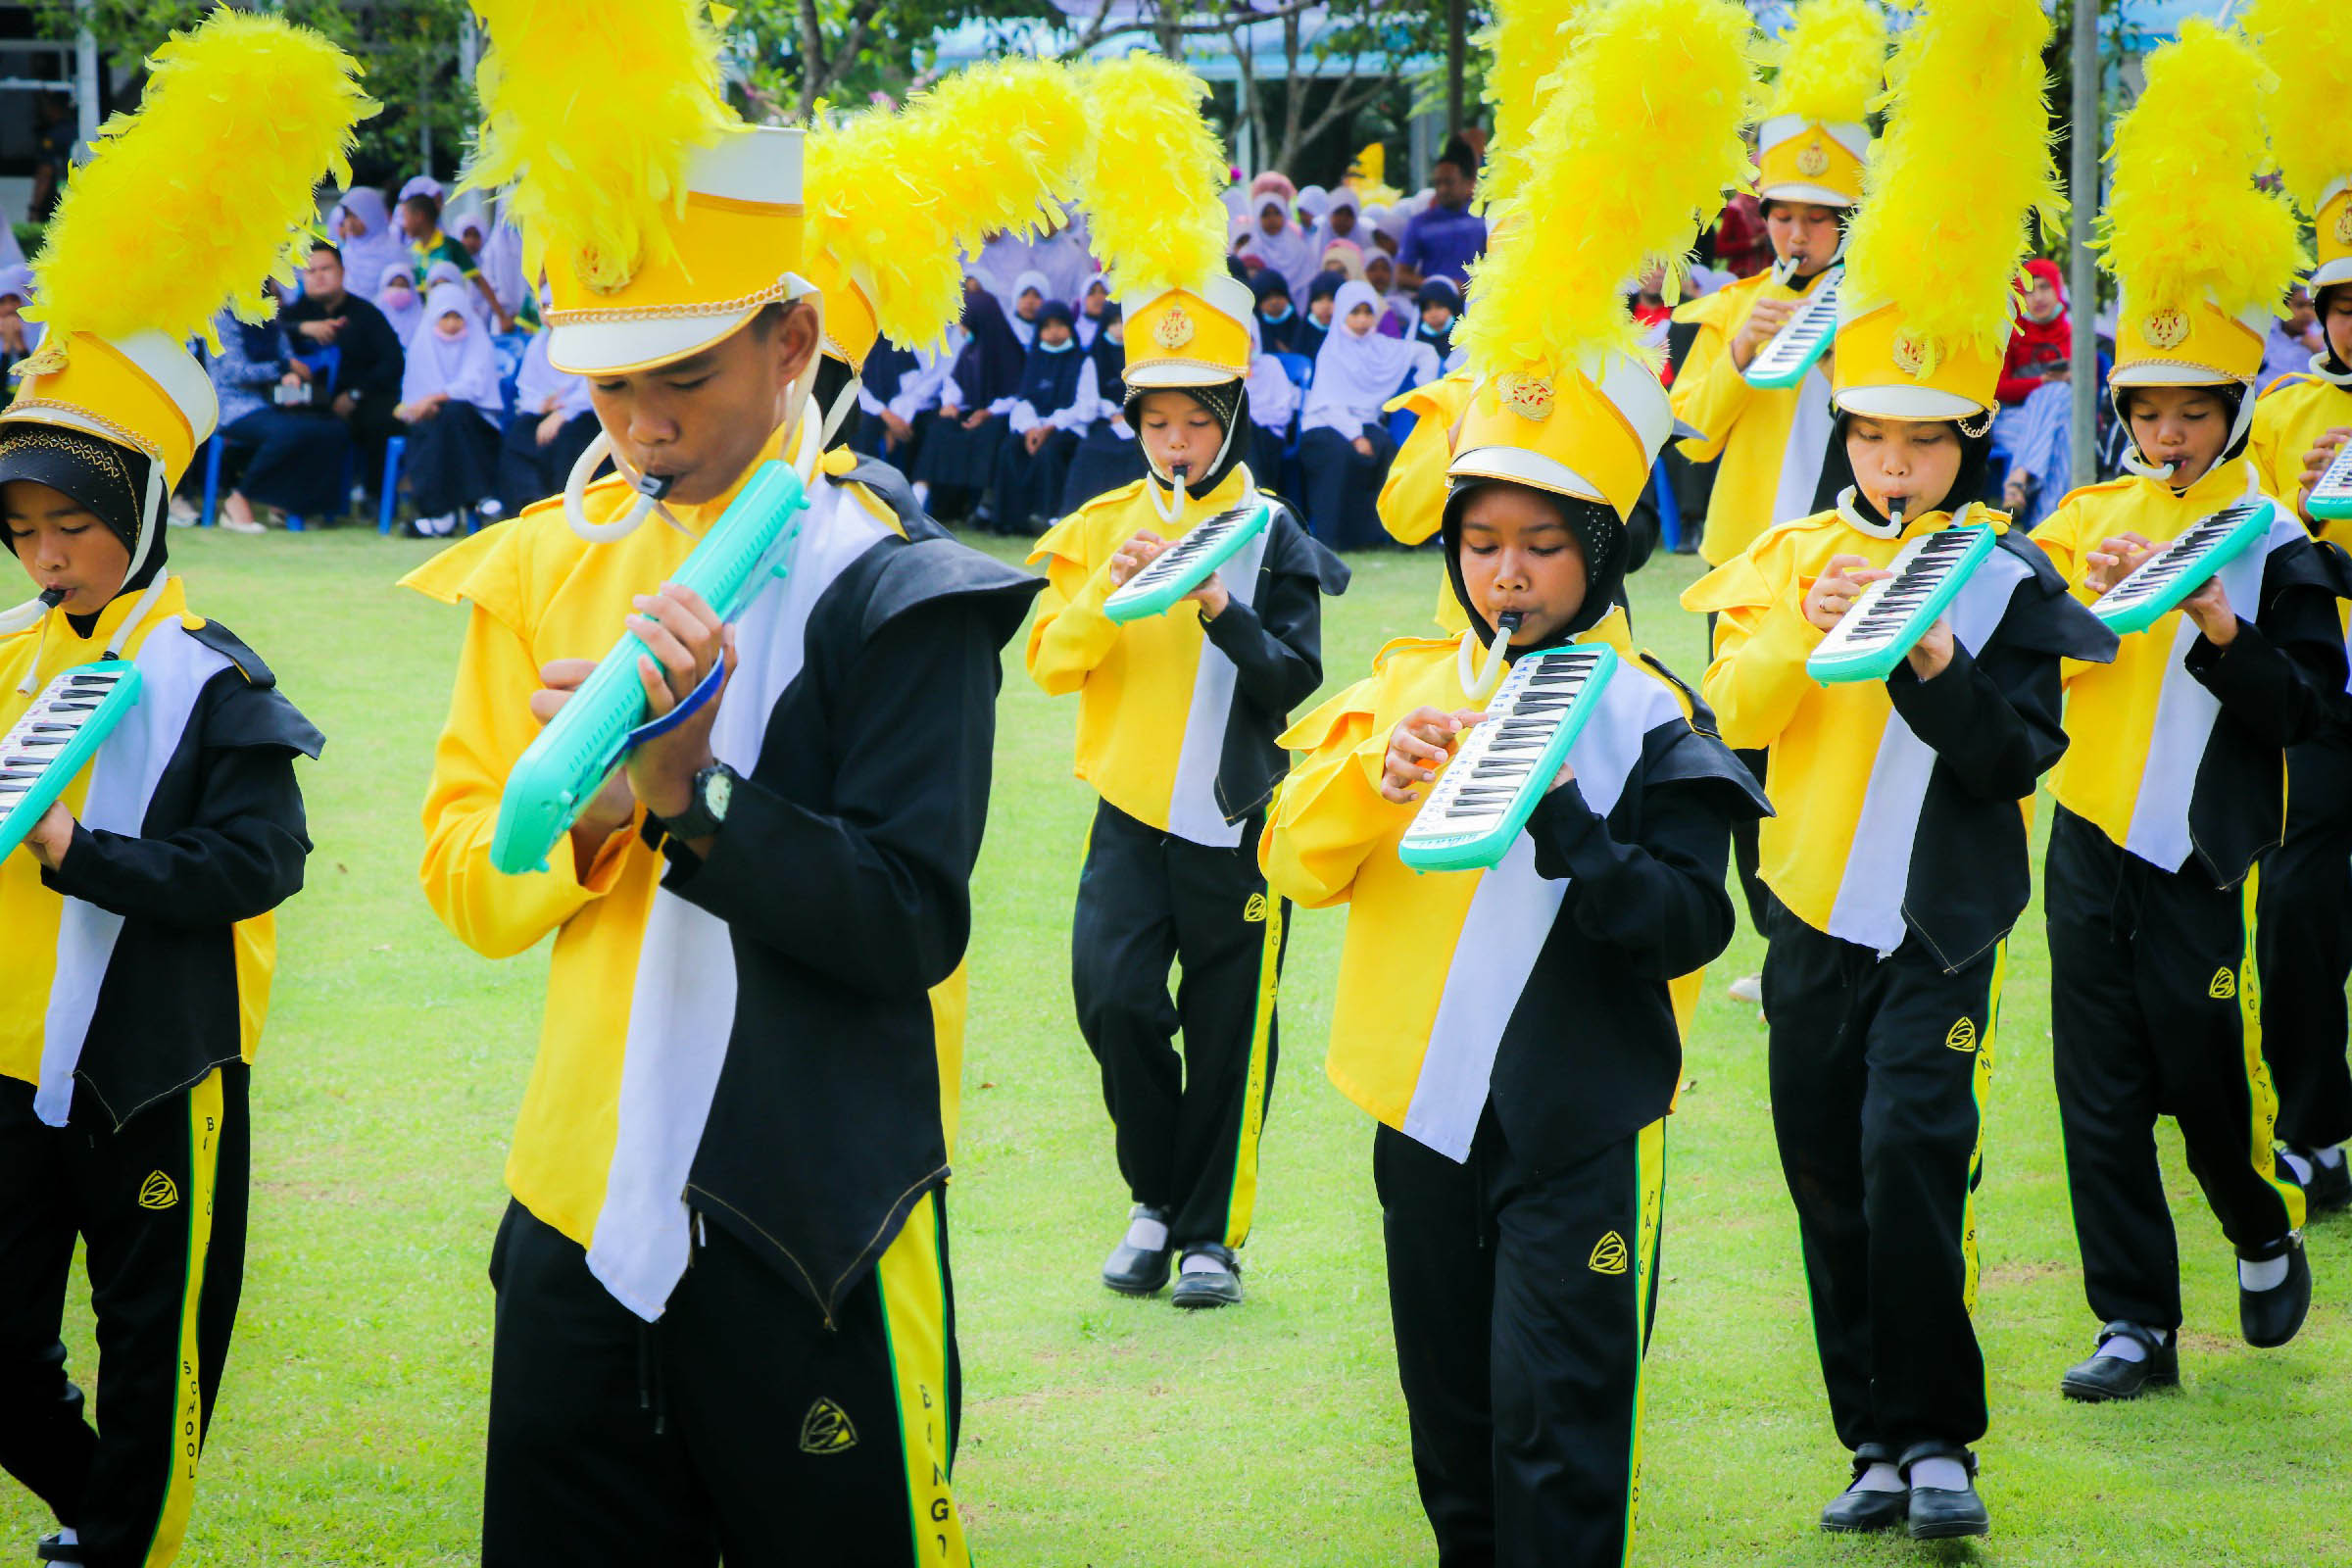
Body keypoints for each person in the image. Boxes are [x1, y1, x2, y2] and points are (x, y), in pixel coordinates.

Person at [404, 6, 1039, 1560]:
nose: (639, 425)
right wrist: (602, 810)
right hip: (571, 1211)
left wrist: (695, 801)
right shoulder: (543, 566)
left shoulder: (902, 594)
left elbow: (907, 928)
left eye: (679, 376)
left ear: (793, 339)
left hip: (819, 1217)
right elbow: (468, 885)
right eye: (607, 389)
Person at [1263, 8, 1764, 1557]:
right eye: (1483, 544)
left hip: (1576, 1123)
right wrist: (1381, 784)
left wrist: (1562, 822)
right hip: (1421, 1120)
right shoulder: (1405, 683)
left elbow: (1692, 923)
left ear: (1601, 552)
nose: (1509, 573)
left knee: (1559, 1430)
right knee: (1454, 1434)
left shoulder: (1648, 706)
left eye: (1545, 545)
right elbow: (1295, 859)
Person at [1685, 0, 2110, 1535]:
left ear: (1966, 445)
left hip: (1941, 924)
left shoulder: (1998, 576)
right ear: (1847, 436)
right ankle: (1868, 1439)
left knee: (1913, 1159)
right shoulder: (1786, 554)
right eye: (1873, 441)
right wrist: (1817, 628)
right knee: (1826, 1179)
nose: (1894, 468)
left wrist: (1928, 661)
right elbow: (1733, 711)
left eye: (1926, 446)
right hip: (1805, 920)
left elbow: (2019, 761)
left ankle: (1942, 1443)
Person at [0, 17, 354, 1564]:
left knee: (159, 1355)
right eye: (19, 525)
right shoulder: (7, 655)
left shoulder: (220, 676)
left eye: (68, 521)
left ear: (137, 509)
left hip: (162, 1063)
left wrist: (87, 856)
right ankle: (99, 1511)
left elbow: (257, 866)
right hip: (8, 1063)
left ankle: (124, 1538)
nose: (44, 551)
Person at [2026, 21, 2344, 1401]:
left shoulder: (2273, 542)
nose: (2164, 437)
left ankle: (2261, 1221)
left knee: (2208, 1084)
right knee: (2095, 1096)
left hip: (2206, 850)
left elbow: (2302, 711)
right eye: (2146, 412)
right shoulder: (2084, 517)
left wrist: (2213, 627)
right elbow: (2025, 653)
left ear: (2231, 408)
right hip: (2090, 835)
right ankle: (2134, 1328)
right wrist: (2066, 600)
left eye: (2188, 413)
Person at [1029, 54, 1347, 1311]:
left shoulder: (1272, 534)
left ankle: (1209, 1232)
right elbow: (1054, 664)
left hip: (1240, 822)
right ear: (1135, 418)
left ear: (1231, 416)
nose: (1176, 440)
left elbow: (1294, 688)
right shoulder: (1100, 520)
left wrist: (1212, 604)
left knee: (1230, 1031)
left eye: (1196, 418)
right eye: (1156, 418)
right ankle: (1153, 1193)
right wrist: (1113, 589)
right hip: (1125, 813)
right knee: (1112, 1003)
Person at [1670, 0, 1886, 991]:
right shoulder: (1725, 306)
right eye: (1784, 213)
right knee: (1744, 748)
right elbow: (1692, 431)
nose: (1796, 232)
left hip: (1853, 560)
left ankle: (1834, 923)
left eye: (1817, 216)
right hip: (1750, 563)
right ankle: (1778, 938)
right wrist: (1743, 348)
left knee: (1837, 742)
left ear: (1850, 220)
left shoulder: (1882, 312)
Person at [2244, 0, 2352, 1216]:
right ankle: (2314, 1126)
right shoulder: (2278, 416)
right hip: (2319, 705)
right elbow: (2260, 550)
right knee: (2302, 919)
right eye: (2344, 302)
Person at [1297, 279, 1439, 548]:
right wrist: (1355, 437)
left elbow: (1426, 352)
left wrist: (1425, 387)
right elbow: (1329, 404)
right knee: (1340, 455)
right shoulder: (1332, 352)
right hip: (1325, 423)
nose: (1362, 320)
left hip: (1365, 421)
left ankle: (1381, 539)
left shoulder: (1381, 346)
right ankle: (1333, 540)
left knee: (1386, 450)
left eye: (1367, 312)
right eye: (1355, 312)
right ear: (1343, 315)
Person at [208, 311, 355, 532]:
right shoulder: (221, 318)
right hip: (233, 406)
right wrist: (281, 369)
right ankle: (238, 499)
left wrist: (293, 375)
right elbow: (233, 372)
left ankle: (297, 506)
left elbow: (285, 356)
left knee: (333, 429)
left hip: (274, 402)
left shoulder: (267, 313)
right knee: (289, 432)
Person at [281, 241, 407, 496]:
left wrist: (356, 394)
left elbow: (393, 361)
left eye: (326, 268)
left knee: (383, 419)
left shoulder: (366, 314)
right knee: (280, 411)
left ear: (342, 271)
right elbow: (265, 338)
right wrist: (303, 329)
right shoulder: (291, 316)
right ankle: (294, 499)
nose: (319, 276)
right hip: (308, 396)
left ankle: (375, 498)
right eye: (311, 271)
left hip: (358, 397)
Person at [392, 283, 503, 537]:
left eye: (457, 316)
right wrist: (425, 406)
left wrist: (435, 398)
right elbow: (414, 397)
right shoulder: (422, 343)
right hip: (435, 423)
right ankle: (465, 504)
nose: (452, 323)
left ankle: (442, 516)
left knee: (454, 413)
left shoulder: (479, 340)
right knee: (433, 427)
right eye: (445, 316)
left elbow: (474, 388)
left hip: (476, 423)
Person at [912, 278, 1027, 523]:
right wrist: (950, 403)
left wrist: (989, 412)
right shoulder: (969, 348)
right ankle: (923, 495)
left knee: (990, 434)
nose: (960, 327)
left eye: (964, 320)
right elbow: (955, 381)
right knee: (940, 429)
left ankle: (982, 505)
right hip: (968, 412)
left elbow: (1018, 393)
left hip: (996, 416)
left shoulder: (1008, 349)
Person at [994, 299, 1089, 532]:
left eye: (1059, 325)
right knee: (1010, 448)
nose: (1053, 333)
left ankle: (1046, 517)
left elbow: (1085, 405)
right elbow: (1024, 399)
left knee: (1049, 452)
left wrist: (1051, 426)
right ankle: (1012, 519)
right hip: (1034, 426)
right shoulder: (1034, 358)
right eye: (1046, 327)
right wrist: (1030, 428)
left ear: (1070, 326)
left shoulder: (1083, 359)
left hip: (1069, 427)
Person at [494, 316, 598, 518]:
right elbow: (527, 388)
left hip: (585, 412)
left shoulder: (589, 339)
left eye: (553, 306)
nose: (549, 313)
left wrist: (564, 412)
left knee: (568, 436)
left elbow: (596, 384)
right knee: (519, 435)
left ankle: (566, 507)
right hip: (545, 412)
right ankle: (528, 505)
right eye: (544, 306)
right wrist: (541, 405)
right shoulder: (538, 343)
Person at [398, 187, 509, 331]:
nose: (403, 224)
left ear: (419, 216)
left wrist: (501, 316)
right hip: (430, 320)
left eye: (405, 217)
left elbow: (479, 281)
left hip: (453, 318)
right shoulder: (413, 251)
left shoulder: (450, 246)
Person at [1395, 141, 1486, 292]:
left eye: (1449, 183)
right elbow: (1402, 276)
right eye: (1437, 183)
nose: (1442, 189)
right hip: (1434, 309)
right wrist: (1442, 286)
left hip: (1476, 305)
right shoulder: (1420, 224)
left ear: (1468, 183)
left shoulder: (1483, 221)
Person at [1240, 173, 1318, 298]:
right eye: (1265, 214)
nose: (1272, 219)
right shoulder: (1248, 251)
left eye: (1277, 213)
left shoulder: (1299, 248)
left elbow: (1307, 282)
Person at [331, 185, 408, 297]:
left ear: (373, 215)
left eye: (356, 215)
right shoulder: (345, 253)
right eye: (347, 215)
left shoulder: (396, 252)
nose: (349, 222)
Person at [0, 264, 43, 381]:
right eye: (2, 302)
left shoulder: (40, 327)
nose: (9, 307)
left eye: (14, 300)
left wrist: (19, 343)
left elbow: (37, 377)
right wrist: (7, 344)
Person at [1251, 269, 1303, 355]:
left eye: (1278, 295)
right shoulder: (1254, 329)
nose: (1274, 302)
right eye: (1267, 298)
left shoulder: (1299, 326)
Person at [1413, 276, 1460, 360]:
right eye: (1427, 309)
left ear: (1452, 307)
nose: (1433, 314)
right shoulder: (1417, 340)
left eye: (1439, 306)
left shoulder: (1464, 338)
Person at [375, 262, 421, 343]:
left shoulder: (422, 319)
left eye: (403, 285)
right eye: (393, 285)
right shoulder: (374, 317)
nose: (398, 289)